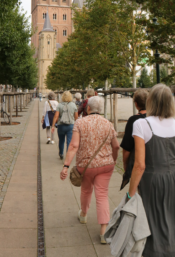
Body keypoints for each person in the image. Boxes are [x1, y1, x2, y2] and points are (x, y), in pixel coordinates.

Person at [128, 84, 175, 257]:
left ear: (151, 101)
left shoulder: (141, 124)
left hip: (152, 180)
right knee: (174, 221)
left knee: (151, 222)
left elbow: (139, 165)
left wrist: (130, 194)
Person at [59, 96, 120, 244]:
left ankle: (84, 214)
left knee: (86, 190)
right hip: (106, 165)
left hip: (85, 166)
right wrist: (113, 158)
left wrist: (66, 166)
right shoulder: (108, 124)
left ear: (88, 108)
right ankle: (104, 231)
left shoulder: (80, 122)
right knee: (102, 194)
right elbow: (116, 146)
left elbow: (73, 146)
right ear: (101, 109)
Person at [120, 89, 148, 175]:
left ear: (136, 104)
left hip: (139, 162)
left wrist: (125, 165)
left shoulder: (133, 120)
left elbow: (127, 147)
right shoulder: (156, 117)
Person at [51, 91, 78, 159]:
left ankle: (61, 153)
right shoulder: (73, 105)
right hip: (70, 126)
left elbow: (56, 116)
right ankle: (68, 155)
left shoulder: (59, 105)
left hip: (61, 126)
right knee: (69, 141)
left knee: (61, 140)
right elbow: (76, 117)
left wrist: (53, 125)